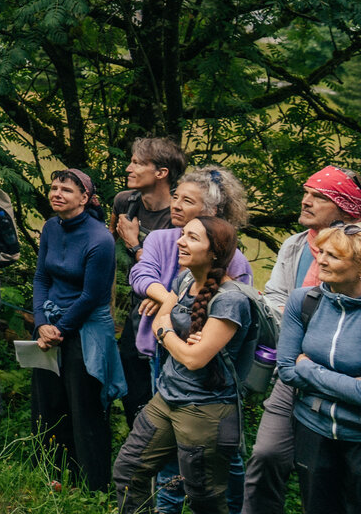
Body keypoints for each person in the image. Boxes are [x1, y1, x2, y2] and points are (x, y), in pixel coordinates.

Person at [130, 165, 253, 514]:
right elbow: (141, 273)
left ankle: (231, 506)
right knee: (167, 447)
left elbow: (226, 324)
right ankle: (167, 506)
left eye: (188, 200)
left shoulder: (233, 259)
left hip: (211, 380)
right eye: (176, 197)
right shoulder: (162, 239)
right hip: (165, 359)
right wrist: (166, 299)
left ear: (210, 212)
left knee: (216, 460)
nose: (176, 205)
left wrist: (165, 317)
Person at [245, 165, 361, 514]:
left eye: (319, 196)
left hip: (320, 375)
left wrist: (310, 369)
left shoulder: (356, 250)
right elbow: (276, 298)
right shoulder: (296, 246)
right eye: (306, 192)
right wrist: (298, 330)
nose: (305, 201)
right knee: (266, 455)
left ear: (344, 208)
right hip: (295, 364)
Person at [31, 168, 128, 489]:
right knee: (48, 403)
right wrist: (42, 323)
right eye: (54, 188)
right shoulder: (50, 228)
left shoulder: (100, 239)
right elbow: (41, 277)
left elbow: (92, 295)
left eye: (66, 190)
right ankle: (52, 474)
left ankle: (92, 486)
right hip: (49, 326)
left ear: (85, 198)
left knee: (84, 407)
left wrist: (59, 330)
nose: (57, 194)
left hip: (85, 331)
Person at [276, 220, 361, 513]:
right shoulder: (304, 301)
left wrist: (308, 369)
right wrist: (349, 385)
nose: (320, 260)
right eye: (321, 251)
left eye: (333, 256)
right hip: (312, 430)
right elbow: (287, 369)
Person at [112, 137, 189, 428]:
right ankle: (138, 440)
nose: (129, 168)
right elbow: (109, 243)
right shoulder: (125, 202)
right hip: (138, 308)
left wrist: (135, 245)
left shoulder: (180, 215)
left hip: (173, 312)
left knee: (161, 384)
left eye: (137, 163)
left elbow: (183, 272)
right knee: (131, 384)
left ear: (161, 172)